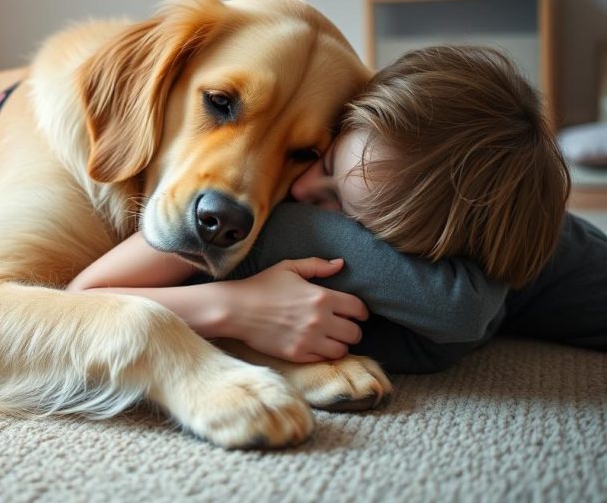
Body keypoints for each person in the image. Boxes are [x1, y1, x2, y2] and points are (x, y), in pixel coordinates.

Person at [68, 45, 607, 374]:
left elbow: (459, 311)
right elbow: (85, 304)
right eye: (321, 160)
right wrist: (235, 306)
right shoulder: (303, 209)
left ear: (411, 252)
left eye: (338, 210)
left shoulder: (452, 298)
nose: (296, 194)